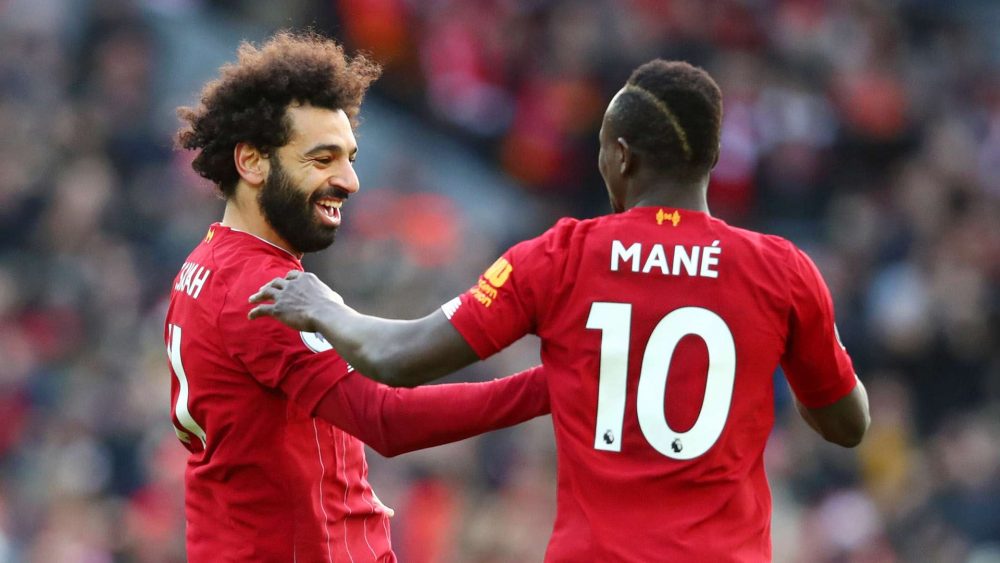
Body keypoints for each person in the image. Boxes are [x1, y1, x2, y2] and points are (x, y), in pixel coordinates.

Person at [249, 59, 871, 561]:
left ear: (621, 156)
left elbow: (399, 357)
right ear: (709, 159)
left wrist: (323, 305)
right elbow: (847, 425)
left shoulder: (561, 256)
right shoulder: (782, 270)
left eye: (601, 147)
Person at [166, 31, 551, 562]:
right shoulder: (261, 289)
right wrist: (553, 385)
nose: (349, 181)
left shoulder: (208, 263)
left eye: (349, 158)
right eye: (322, 159)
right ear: (252, 162)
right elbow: (386, 419)